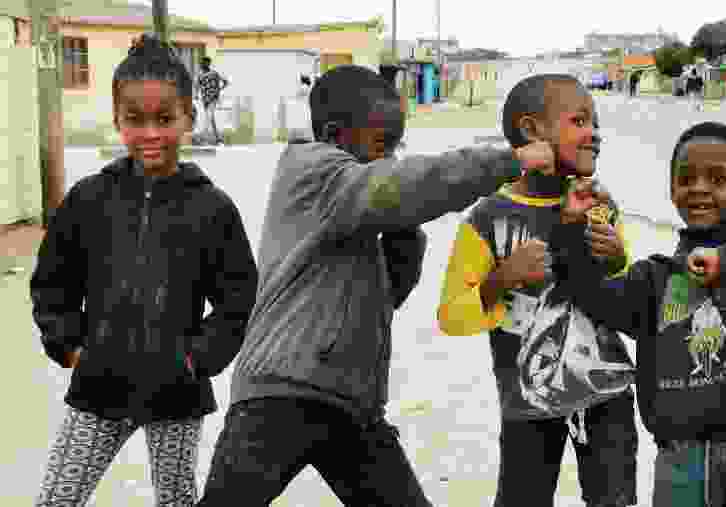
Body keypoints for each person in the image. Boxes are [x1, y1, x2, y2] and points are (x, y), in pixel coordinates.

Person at [195, 65, 557, 506]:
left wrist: (406, 235)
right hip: (280, 393)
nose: (390, 159)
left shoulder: (358, 208)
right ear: (335, 135)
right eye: (382, 145)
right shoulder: (314, 174)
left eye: (395, 146)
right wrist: (508, 161)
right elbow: (402, 186)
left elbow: (386, 298)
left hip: (351, 401)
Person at [550, 121, 726, 507]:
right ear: (672, 190)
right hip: (680, 466)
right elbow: (591, 292)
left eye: (718, 179)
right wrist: (570, 227)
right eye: (686, 179)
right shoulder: (656, 279)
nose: (699, 187)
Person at [30, 33, 259, 507]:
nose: (150, 133)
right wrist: (68, 344)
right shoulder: (89, 199)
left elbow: (238, 298)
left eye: (165, 119)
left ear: (188, 118)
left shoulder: (212, 208)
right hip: (99, 387)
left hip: (177, 394)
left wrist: (196, 359)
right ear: (117, 119)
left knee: (176, 500)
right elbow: (53, 282)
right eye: (135, 120)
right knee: (56, 499)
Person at [437, 74, 639, 507]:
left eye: (595, 122)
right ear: (531, 131)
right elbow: (452, 316)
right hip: (528, 402)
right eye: (579, 121)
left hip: (607, 395)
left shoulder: (599, 205)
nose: (594, 133)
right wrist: (502, 279)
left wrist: (618, 260)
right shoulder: (488, 219)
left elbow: (624, 303)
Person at [196, 56, 229, 145]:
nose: (202, 65)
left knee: (208, 117)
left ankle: (203, 138)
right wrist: (196, 95)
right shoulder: (200, 75)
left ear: (208, 63)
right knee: (211, 119)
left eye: (204, 63)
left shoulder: (214, 73)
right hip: (205, 99)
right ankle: (218, 139)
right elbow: (197, 85)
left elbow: (225, 82)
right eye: (201, 63)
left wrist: (219, 89)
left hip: (213, 98)